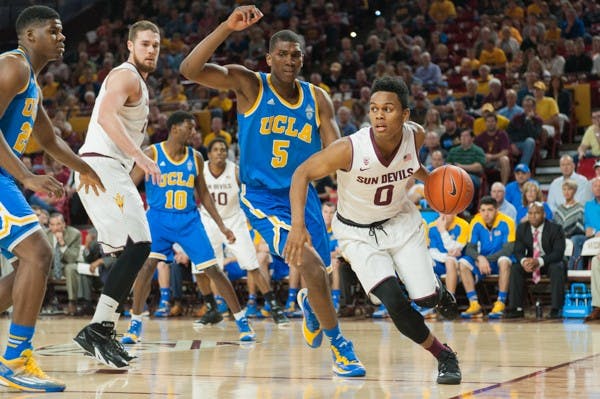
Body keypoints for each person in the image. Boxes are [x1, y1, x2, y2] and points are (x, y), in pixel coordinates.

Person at [179, 6, 364, 377]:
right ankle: (341, 349)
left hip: (303, 196)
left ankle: (310, 303)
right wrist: (226, 28)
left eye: (296, 54)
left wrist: (356, 193)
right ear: (269, 58)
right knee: (309, 264)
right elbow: (190, 70)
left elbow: (338, 153)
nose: (290, 60)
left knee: (322, 273)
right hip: (261, 197)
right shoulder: (250, 84)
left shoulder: (318, 99)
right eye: (282, 53)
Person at [285, 76, 461, 384]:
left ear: (405, 115)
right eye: (374, 108)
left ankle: (435, 291)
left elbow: (408, 164)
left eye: (388, 109)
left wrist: (433, 181)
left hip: (400, 222)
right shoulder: (349, 149)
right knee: (393, 300)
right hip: (357, 233)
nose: (379, 115)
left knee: (426, 301)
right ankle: (444, 355)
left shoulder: (415, 136)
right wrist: (298, 226)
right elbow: (301, 174)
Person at [0, 6, 104, 392]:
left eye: (62, 32)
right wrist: (26, 174)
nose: (62, 37)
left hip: (3, 176)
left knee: (29, 264)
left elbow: (50, 140)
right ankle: (14, 359)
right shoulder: (15, 66)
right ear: (29, 36)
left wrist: (86, 169)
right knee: (39, 254)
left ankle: (15, 357)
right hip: (3, 176)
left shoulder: (32, 84)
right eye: (54, 31)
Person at [121, 111, 255, 345]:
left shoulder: (196, 158)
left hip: (189, 220)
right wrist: (126, 215)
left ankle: (242, 321)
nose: (194, 132)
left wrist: (222, 226)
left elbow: (203, 193)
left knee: (214, 270)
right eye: (189, 128)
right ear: (174, 129)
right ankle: (135, 324)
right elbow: (130, 185)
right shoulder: (152, 152)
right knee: (147, 267)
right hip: (158, 219)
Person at [72, 20, 163, 369]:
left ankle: (100, 327)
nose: (151, 50)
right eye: (145, 44)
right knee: (139, 244)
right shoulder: (125, 76)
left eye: (155, 45)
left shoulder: (138, 82)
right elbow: (108, 117)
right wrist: (141, 157)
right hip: (102, 166)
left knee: (133, 248)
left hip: (109, 169)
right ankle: (99, 328)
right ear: (129, 45)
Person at [196, 137, 288, 325]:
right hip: (208, 220)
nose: (220, 152)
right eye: (216, 149)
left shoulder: (235, 171)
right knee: (204, 268)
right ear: (209, 154)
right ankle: (213, 307)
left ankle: (274, 306)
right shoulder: (201, 170)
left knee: (251, 264)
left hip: (233, 221)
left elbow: (250, 193)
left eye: (223, 149)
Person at [506, 202, 566, 319]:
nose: (533, 216)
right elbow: (518, 251)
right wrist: (524, 261)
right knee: (515, 268)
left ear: (543, 214)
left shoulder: (556, 228)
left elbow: (558, 253)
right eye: (530, 213)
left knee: (557, 267)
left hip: (548, 262)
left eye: (537, 213)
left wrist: (539, 261)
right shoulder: (522, 228)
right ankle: (516, 307)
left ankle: (556, 308)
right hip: (531, 263)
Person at [458, 196, 515, 319]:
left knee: (504, 260)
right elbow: (470, 248)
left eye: (489, 210)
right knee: (463, 263)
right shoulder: (476, 222)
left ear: (496, 210)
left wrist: (485, 260)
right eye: (482, 210)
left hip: (499, 261)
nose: (486, 214)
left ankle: (500, 302)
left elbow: (508, 249)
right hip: (482, 262)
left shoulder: (507, 222)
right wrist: (480, 258)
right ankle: (473, 303)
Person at [427, 213, 470, 319]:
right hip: (441, 260)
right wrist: (446, 256)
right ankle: (430, 304)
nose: (444, 215)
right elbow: (432, 251)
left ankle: (450, 302)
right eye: (442, 212)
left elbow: (456, 249)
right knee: (426, 263)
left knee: (450, 261)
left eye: (448, 212)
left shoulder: (463, 225)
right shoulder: (432, 226)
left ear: (455, 212)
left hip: (458, 263)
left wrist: (442, 231)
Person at [46, 212, 81, 316]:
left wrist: (62, 243)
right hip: (51, 268)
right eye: (52, 225)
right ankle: (42, 303)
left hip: (66, 267)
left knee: (71, 268)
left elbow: (72, 259)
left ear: (64, 224)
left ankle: (72, 302)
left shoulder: (74, 234)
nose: (56, 227)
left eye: (58, 224)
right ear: (49, 226)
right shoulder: (44, 235)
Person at [553, 180, 586, 270]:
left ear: (574, 191)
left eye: (569, 189)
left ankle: (574, 271)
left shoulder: (580, 208)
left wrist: (566, 234)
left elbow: (580, 227)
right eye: (564, 189)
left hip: (575, 236)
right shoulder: (559, 209)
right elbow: (555, 226)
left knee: (573, 241)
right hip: (560, 237)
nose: (566, 192)